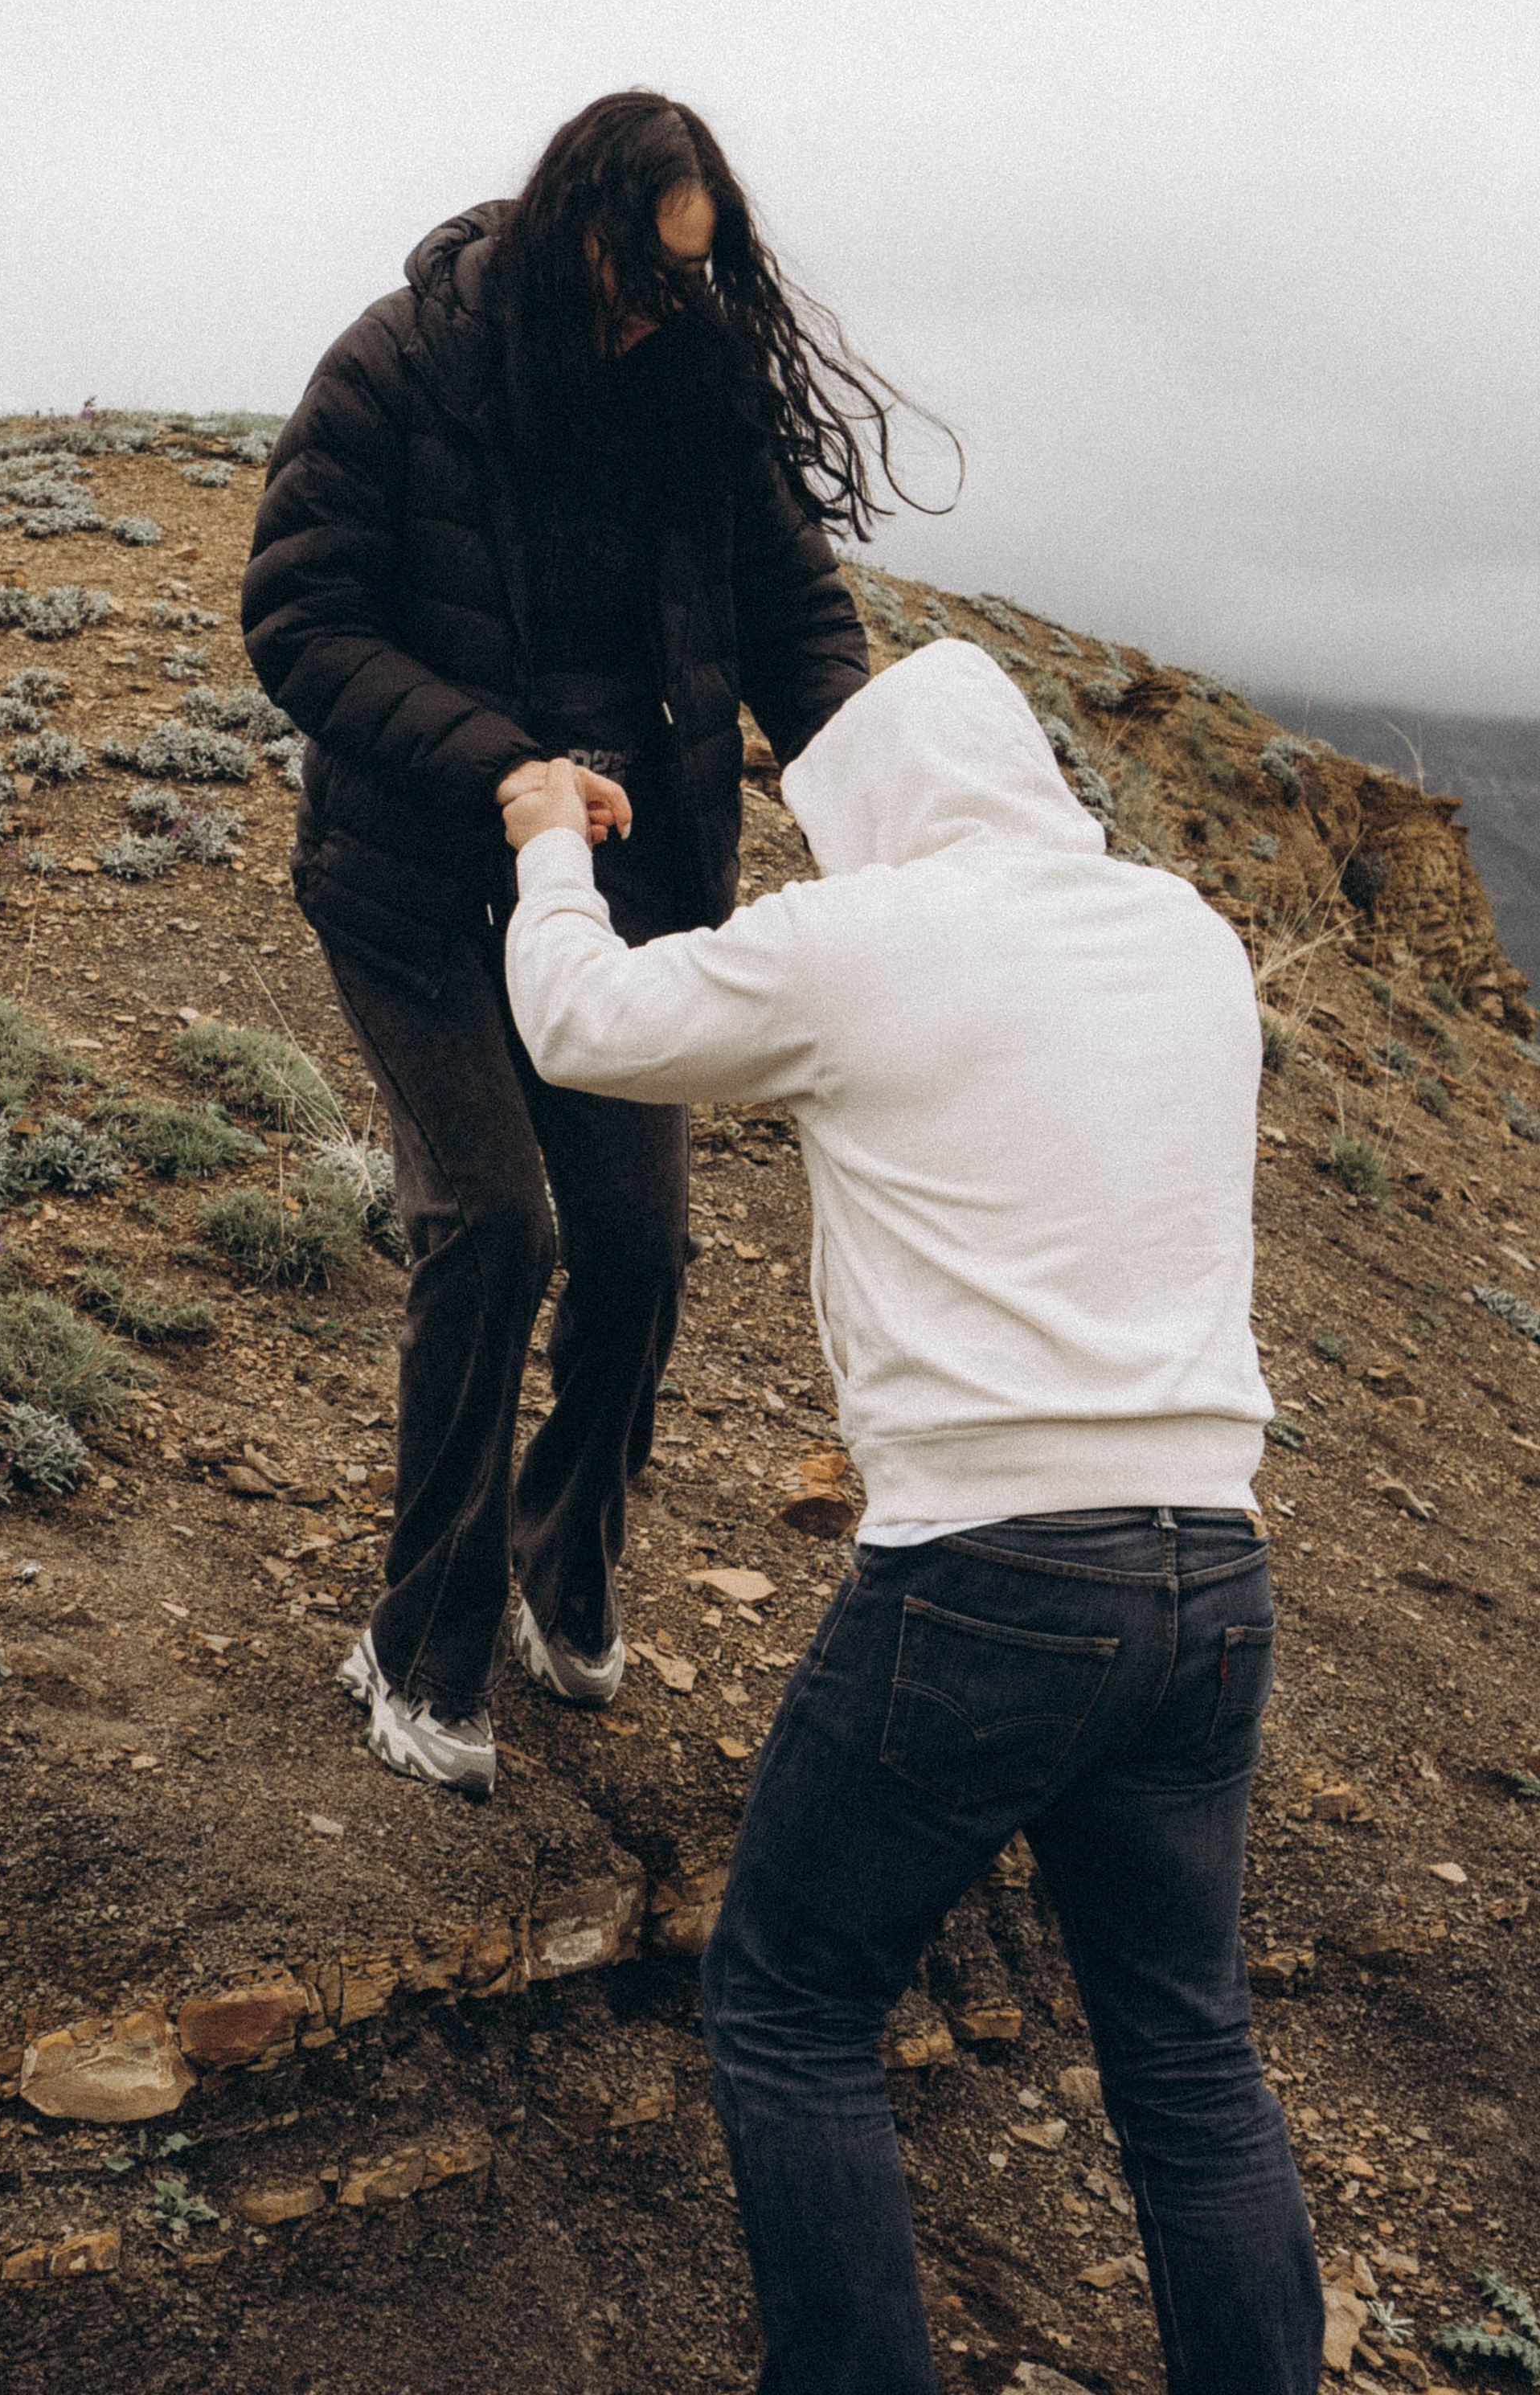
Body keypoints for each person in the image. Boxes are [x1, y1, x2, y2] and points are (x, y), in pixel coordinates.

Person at [500, 638, 1323, 2395]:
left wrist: (547, 845)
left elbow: (580, 1026)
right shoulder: (1184, 935)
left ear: (867, 808)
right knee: (1187, 2056)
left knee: (789, 2009)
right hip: (1212, 1566)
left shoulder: (864, 940)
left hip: (991, 1573)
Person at [241, 91, 920, 1795]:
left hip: (627, 900)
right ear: (568, 234)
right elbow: (298, 615)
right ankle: (416, 1645)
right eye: (630, 275)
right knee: (489, 1224)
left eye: (682, 282)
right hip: (416, 878)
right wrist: (499, 772)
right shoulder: (399, 366)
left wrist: (887, 805)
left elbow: (794, 618)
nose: (647, 312)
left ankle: (561, 1546)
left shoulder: (694, 388)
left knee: (637, 1256)